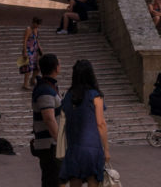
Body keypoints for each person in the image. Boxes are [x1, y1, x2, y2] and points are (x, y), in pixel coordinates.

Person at [58, 59, 109, 187]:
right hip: (92, 147)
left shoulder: (68, 96)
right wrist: (106, 150)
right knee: (93, 180)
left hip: (74, 147)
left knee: (75, 181)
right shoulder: (95, 96)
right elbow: (101, 123)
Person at [32, 52, 62, 187]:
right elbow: (49, 118)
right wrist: (60, 142)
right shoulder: (45, 89)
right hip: (50, 145)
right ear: (56, 68)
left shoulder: (49, 87)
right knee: (52, 181)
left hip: (50, 144)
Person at [22, 14, 42, 89]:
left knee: (37, 67)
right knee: (28, 68)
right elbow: (24, 40)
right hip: (29, 50)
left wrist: (40, 47)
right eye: (37, 24)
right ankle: (25, 84)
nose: (38, 26)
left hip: (35, 50)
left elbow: (36, 39)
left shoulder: (36, 30)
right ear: (34, 22)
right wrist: (24, 51)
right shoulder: (28, 29)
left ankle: (32, 79)